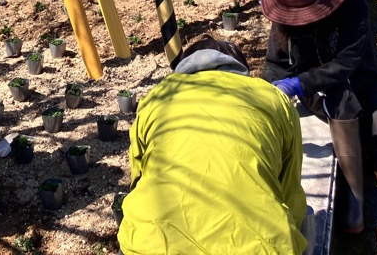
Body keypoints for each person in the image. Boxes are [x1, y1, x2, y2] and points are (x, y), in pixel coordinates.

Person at [119, 36, 310, 255]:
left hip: (152, 244)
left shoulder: (157, 98)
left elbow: (138, 175)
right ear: (240, 70)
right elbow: (290, 188)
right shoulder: (274, 99)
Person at [262, 0, 377, 234]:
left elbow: (346, 64)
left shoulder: (353, 7)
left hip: (358, 81)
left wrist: (299, 83)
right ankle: (355, 192)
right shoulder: (284, 17)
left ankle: (375, 145)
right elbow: (275, 65)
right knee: (342, 102)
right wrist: (269, 90)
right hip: (319, 91)